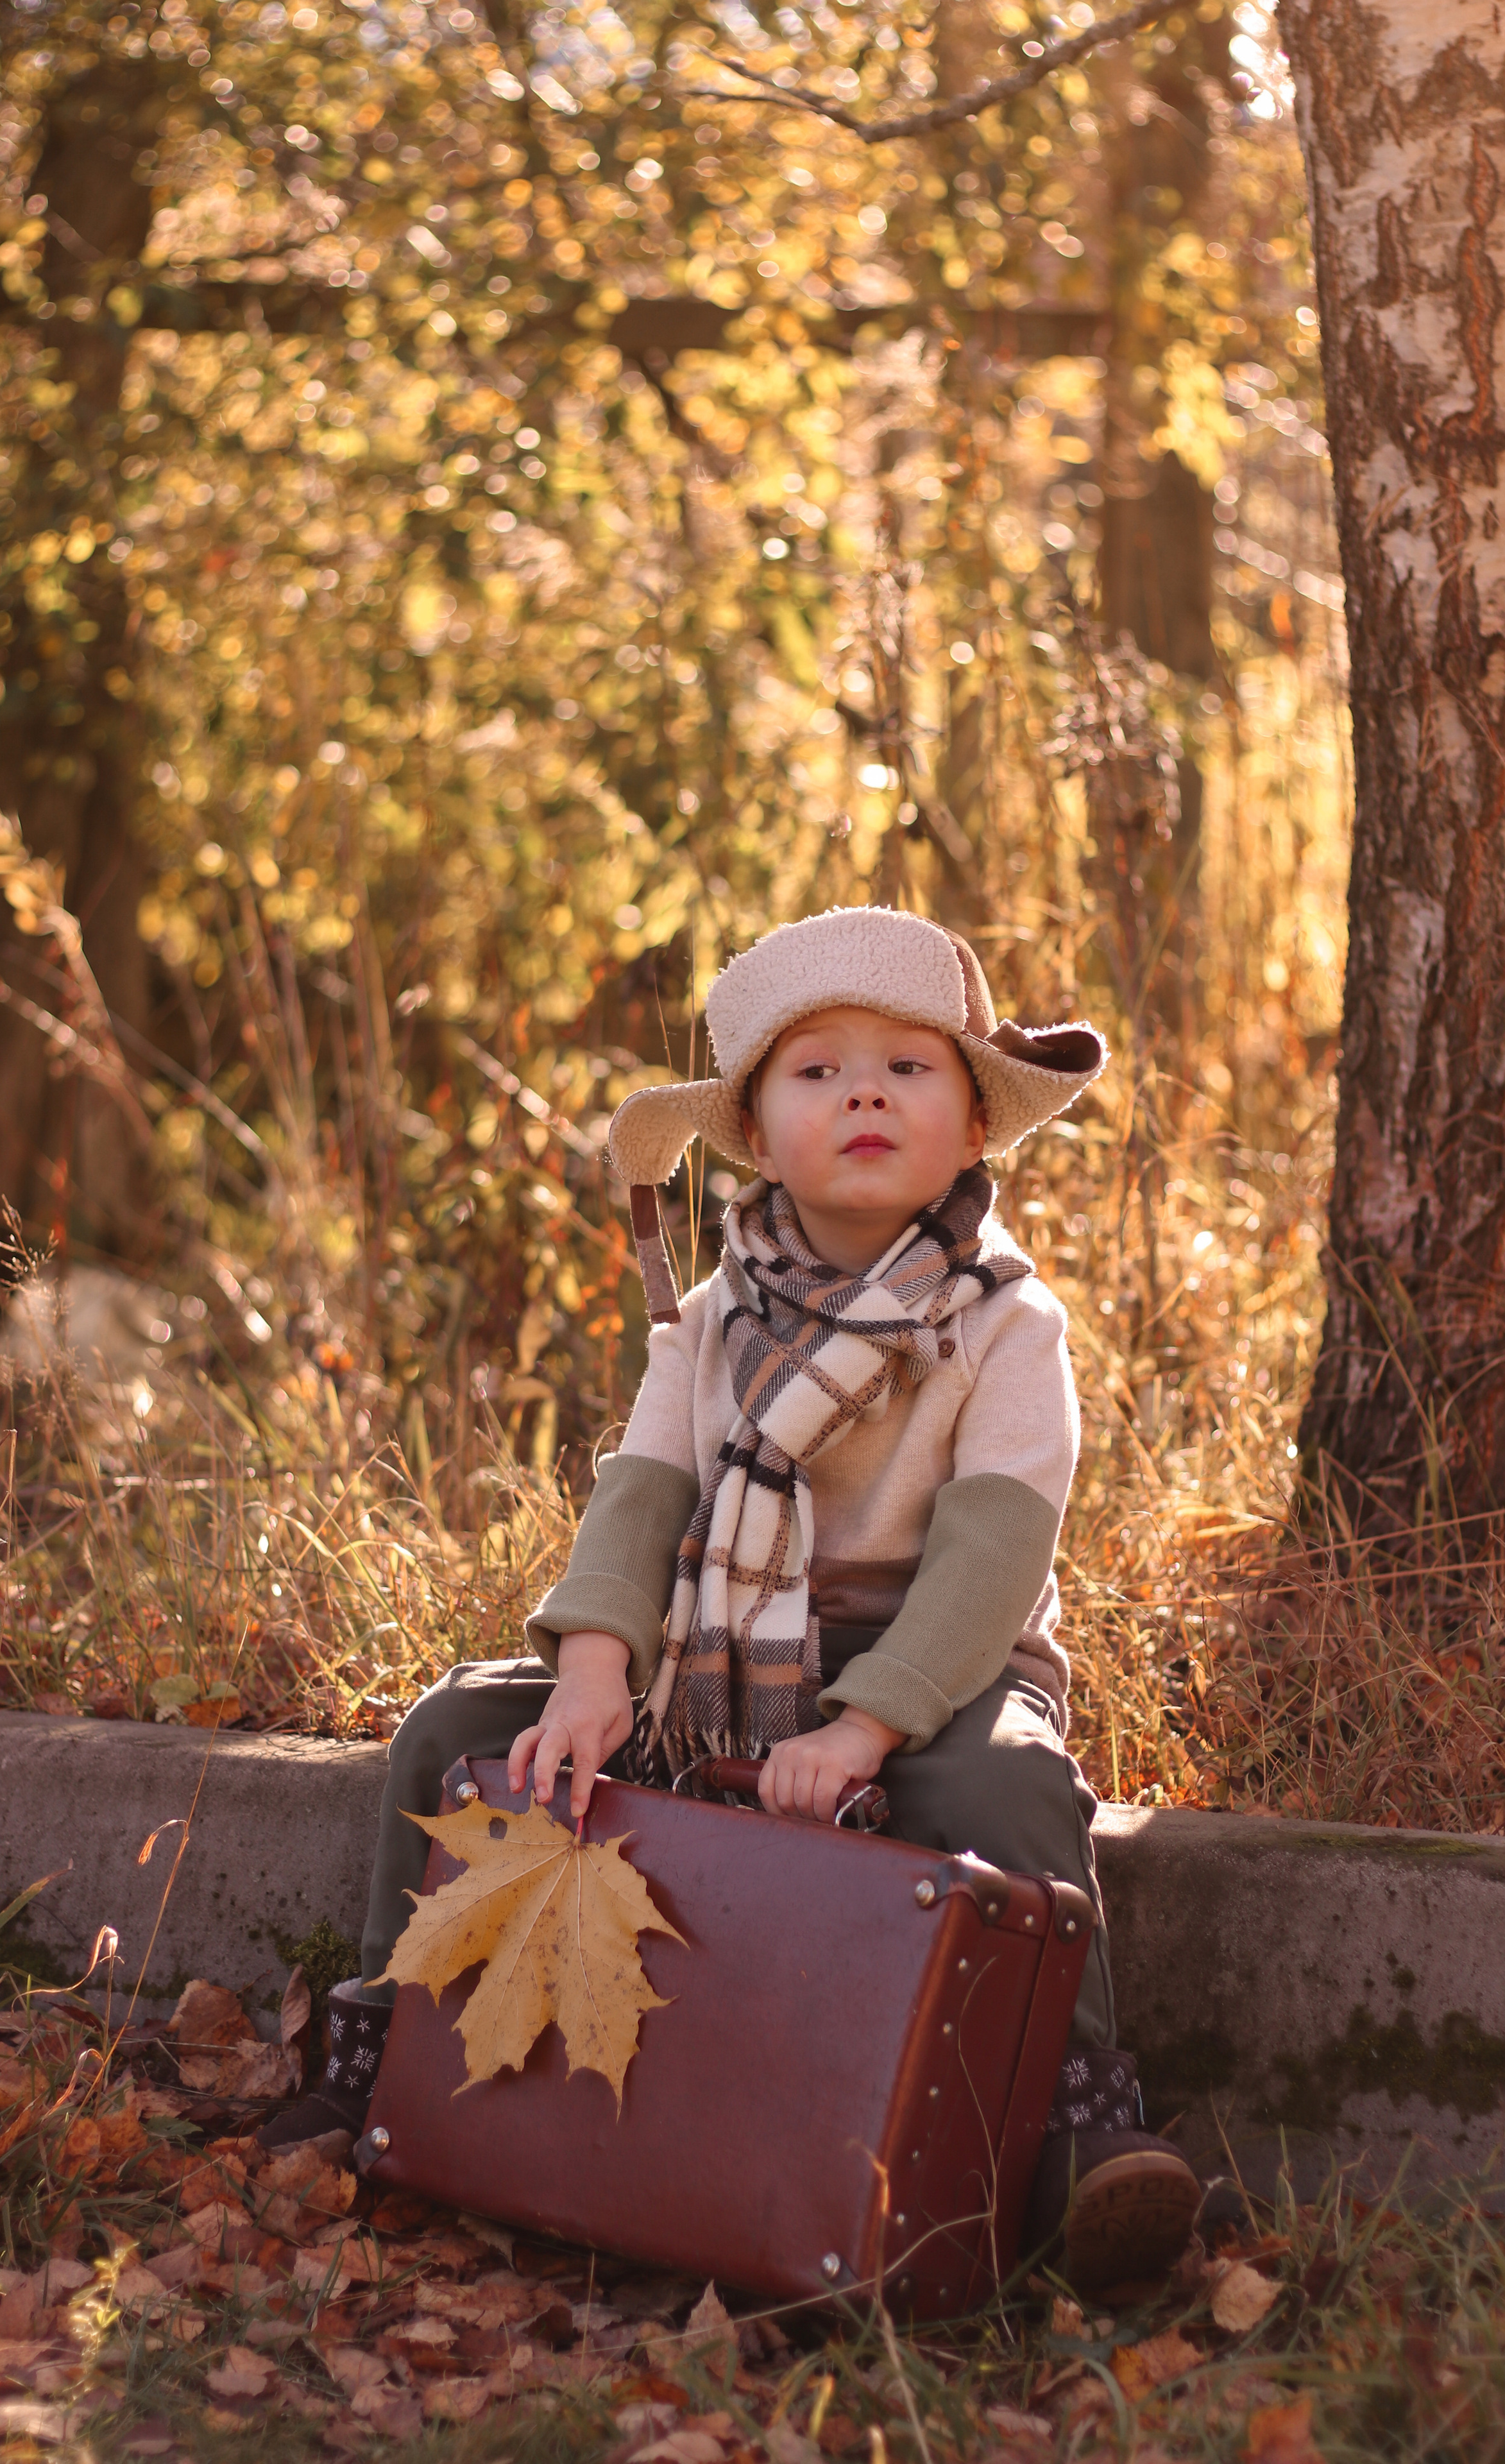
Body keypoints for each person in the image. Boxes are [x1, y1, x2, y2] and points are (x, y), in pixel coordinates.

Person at [261, 907, 1203, 2291]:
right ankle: (385, 2048)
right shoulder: (708, 1321)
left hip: (927, 1663)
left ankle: (1073, 2129)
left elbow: (988, 1557)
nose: (864, 1092)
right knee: (453, 1732)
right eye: (816, 1072)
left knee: (1004, 1798)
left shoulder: (1003, 1322)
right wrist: (591, 1673)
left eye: (907, 1067)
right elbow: (641, 1499)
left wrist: (866, 1726)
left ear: (975, 1127)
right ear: (757, 1137)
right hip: (711, 1654)